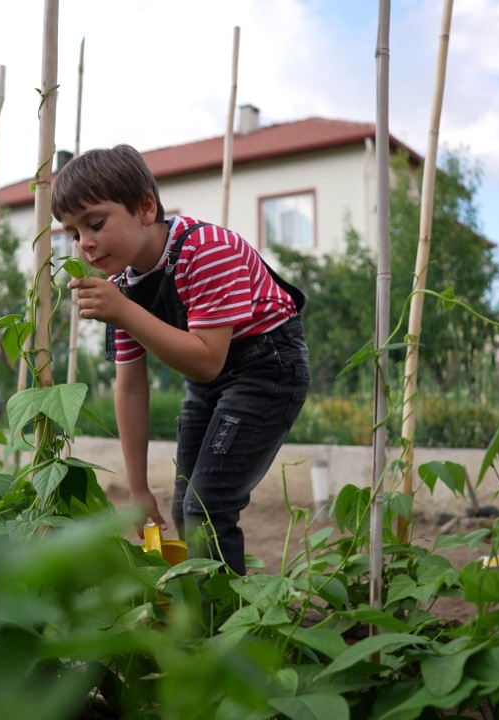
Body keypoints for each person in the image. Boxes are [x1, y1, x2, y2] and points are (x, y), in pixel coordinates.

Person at [53, 144, 310, 575]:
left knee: (207, 504)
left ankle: (222, 624)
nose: (86, 244)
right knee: (185, 501)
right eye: (74, 234)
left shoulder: (205, 250)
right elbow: (130, 387)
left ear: (146, 207)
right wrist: (137, 488)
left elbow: (208, 359)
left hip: (268, 370)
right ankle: (204, 610)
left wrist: (124, 311)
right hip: (209, 381)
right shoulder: (122, 287)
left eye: (95, 223)